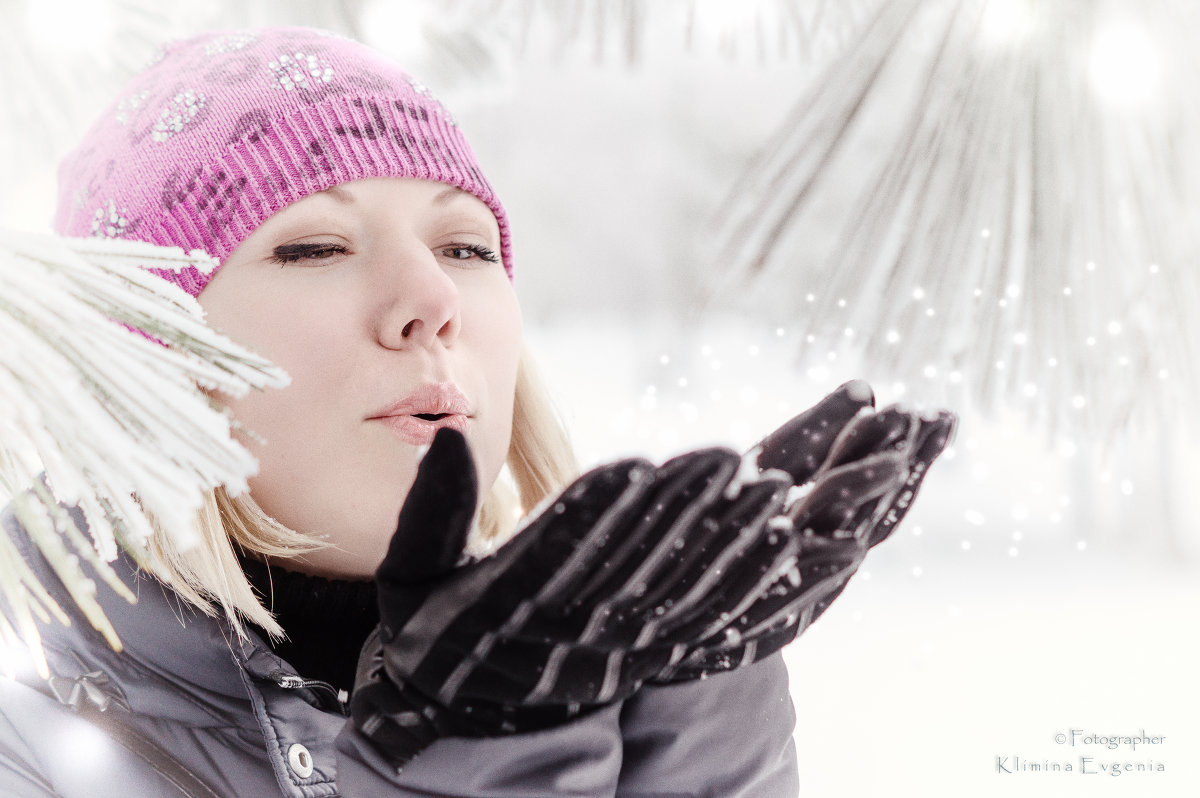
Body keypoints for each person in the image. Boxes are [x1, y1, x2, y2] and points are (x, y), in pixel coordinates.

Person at [0, 26, 953, 797]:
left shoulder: (610, 706)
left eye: (464, 246)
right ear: (136, 359)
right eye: (316, 246)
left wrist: (693, 714)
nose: (432, 298)